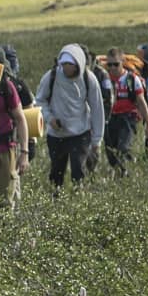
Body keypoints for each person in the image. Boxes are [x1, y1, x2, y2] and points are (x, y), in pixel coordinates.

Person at [35, 44, 105, 189]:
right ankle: (56, 197)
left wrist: (97, 140)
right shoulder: (51, 77)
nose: (66, 67)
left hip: (80, 133)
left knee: (79, 171)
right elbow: (40, 101)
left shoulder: (89, 79)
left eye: (70, 64)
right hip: (56, 134)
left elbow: (97, 109)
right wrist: (50, 118)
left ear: (78, 64)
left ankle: (79, 196)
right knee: (56, 174)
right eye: (64, 64)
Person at [0, 49, 30, 208]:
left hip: (4, 149)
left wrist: (24, 153)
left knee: (5, 201)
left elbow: (20, 119)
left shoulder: (6, 87)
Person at [102, 48, 148, 172]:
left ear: (123, 62)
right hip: (109, 118)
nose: (112, 68)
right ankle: (120, 174)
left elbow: (141, 103)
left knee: (124, 148)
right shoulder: (104, 79)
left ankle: (127, 173)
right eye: (109, 64)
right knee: (111, 152)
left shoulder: (131, 79)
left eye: (116, 64)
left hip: (128, 117)